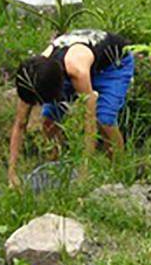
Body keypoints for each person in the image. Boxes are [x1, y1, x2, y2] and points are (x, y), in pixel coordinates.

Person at [7, 29, 133, 187]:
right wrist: (12, 173)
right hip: (76, 65)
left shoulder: (76, 70)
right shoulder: (31, 79)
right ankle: (56, 166)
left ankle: (120, 172)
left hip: (113, 66)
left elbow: (90, 122)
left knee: (104, 119)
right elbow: (20, 124)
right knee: (48, 120)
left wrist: (84, 171)